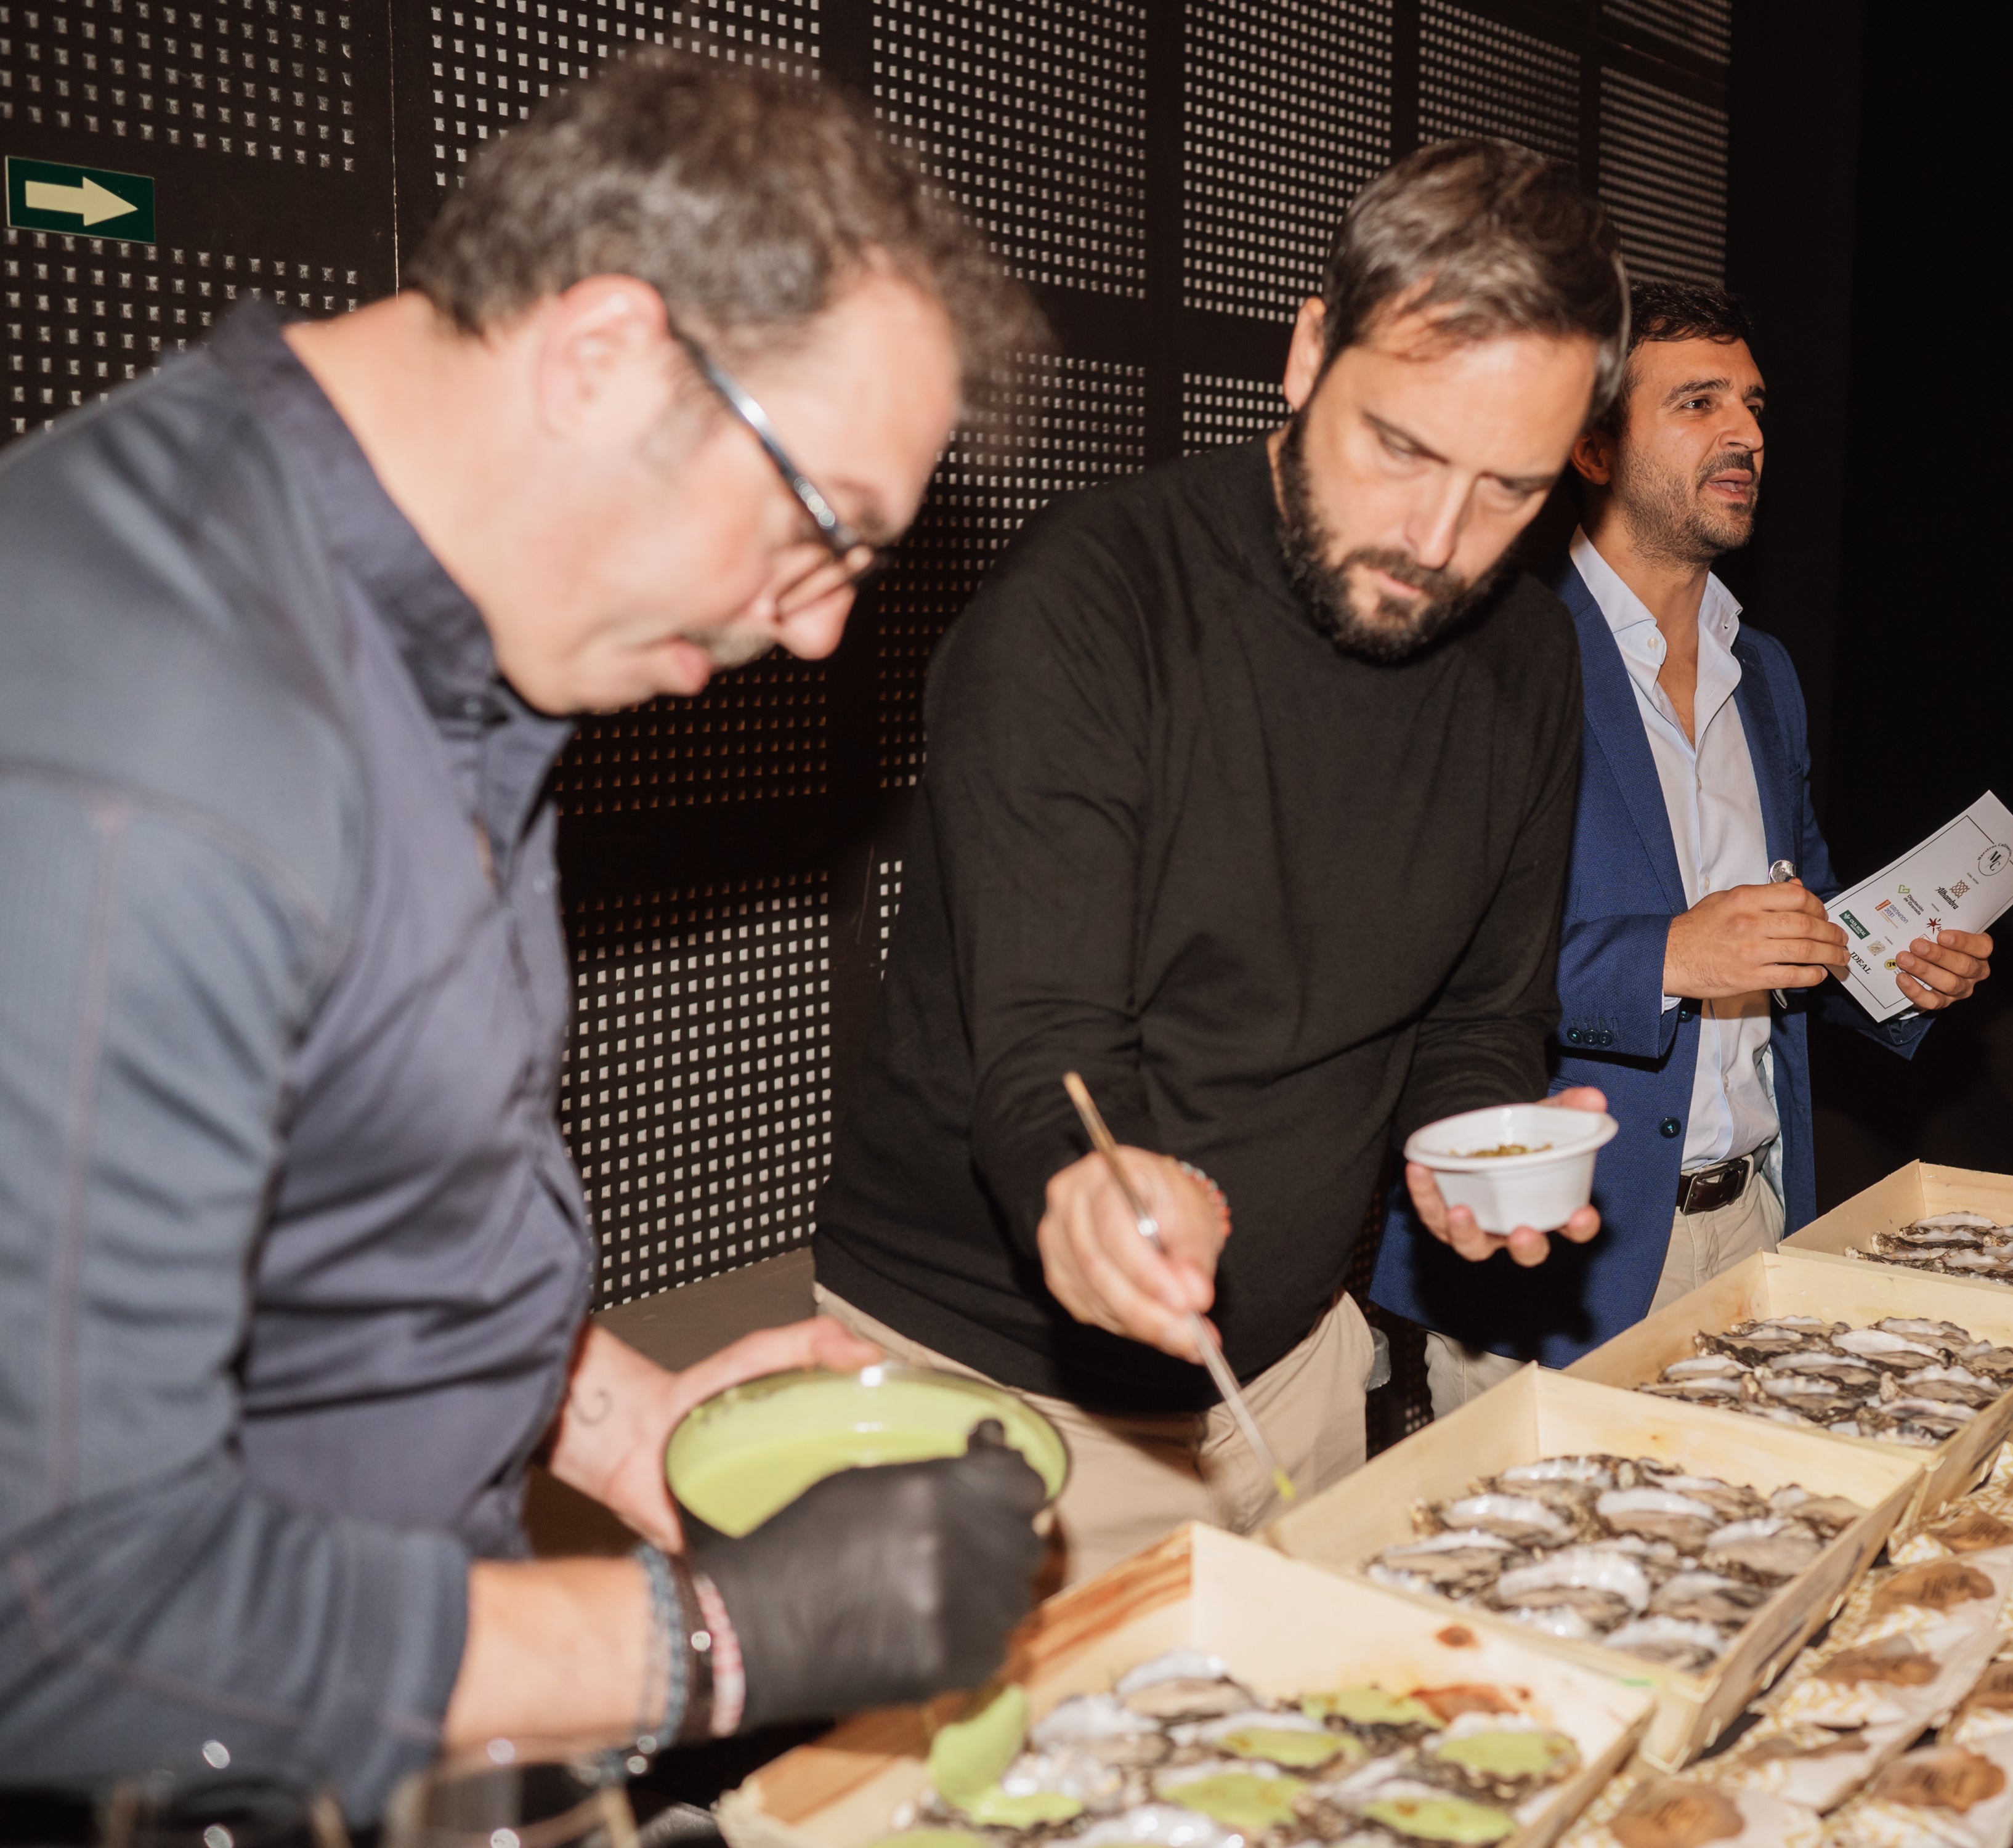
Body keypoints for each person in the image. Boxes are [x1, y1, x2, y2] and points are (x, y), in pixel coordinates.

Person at [0, 52, 1051, 1818]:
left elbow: (335, 1170)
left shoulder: (439, 630)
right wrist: (714, 1640)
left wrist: (608, 1414)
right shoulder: (148, 743)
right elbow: (58, 1615)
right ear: (603, 354)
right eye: (821, 534)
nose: (811, 636)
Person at [812, 138, 1628, 1583]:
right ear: (1308, 351)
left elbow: (1479, 1013)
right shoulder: (1088, 609)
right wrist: (1095, 1184)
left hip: (1302, 1373)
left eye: (1508, 490)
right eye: (1401, 449)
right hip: (995, 1398)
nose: (1438, 542)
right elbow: (1043, 1057)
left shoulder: (1529, 655)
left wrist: (1469, 1146)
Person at [1368, 283, 1994, 1409]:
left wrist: (1888, 971)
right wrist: (1663, 960)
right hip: (1554, 1254)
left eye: (1751, 405)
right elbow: (1407, 964)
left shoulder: (1767, 673)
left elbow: (1798, 918)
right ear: (1595, 445)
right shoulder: (1482, 655)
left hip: (1757, 1218)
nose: (1746, 433)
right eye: (1698, 403)